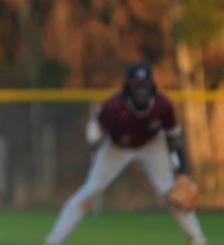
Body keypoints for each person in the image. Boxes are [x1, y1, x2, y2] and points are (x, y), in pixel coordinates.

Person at [44, 63, 207, 245]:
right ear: (128, 87)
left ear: (152, 86)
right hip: (117, 145)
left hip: (152, 144)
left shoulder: (162, 105)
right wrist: (95, 141)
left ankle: (198, 240)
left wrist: (180, 168)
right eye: (137, 87)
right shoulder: (114, 107)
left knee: (174, 195)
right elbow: (94, 131)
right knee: (90, 191)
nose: (141, 91)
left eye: (145, 86)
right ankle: (53, 241)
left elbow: (173, 136)